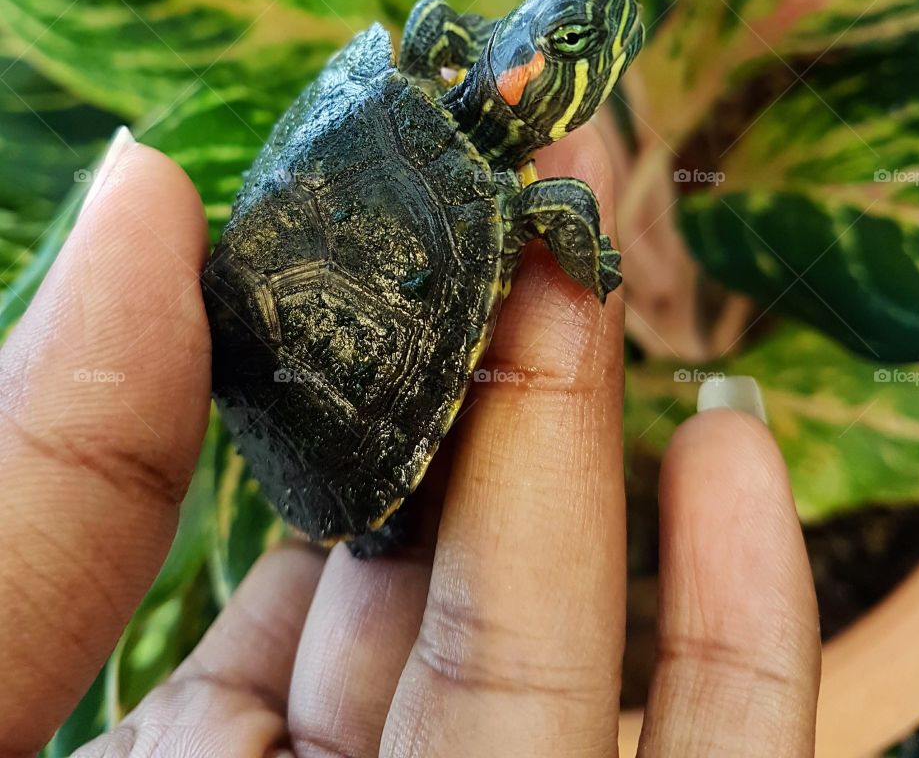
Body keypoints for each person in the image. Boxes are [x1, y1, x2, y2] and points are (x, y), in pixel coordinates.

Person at [0, 125, 821, 757]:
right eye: (571, 43)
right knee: (396, 522)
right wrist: (595, 263)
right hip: (344, 425)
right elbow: (560, 213)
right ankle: (377, 517)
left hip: (312, 409)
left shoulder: (444, 79)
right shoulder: (515, 188)